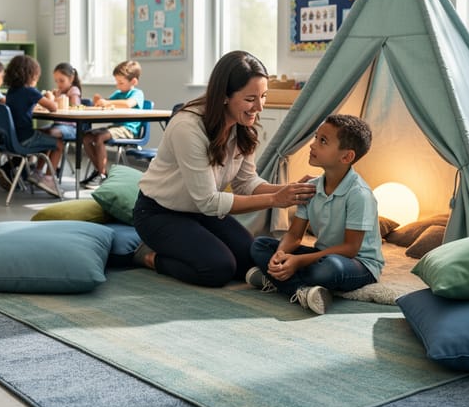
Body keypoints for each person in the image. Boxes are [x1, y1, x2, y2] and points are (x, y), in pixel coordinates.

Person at [131, 51, 315, 288]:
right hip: (159, 213)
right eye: (250, 99)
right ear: (225, 96)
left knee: (250, 260)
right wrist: (275, 199)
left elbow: (246, 182)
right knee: (218, 269)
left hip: (200, 211)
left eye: (263, 96)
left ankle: (187, 244)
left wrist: (289, 191)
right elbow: (209, 201)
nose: (259, 107)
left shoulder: (242, 126)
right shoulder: (188, 128)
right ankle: (148, 256)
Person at [246, 114, 384, 315]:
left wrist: (298, 261)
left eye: (323, 141)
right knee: (260, 245)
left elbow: (350, 249)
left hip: (358, 264)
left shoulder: (359, 195)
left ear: (346, 157)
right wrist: (281, 254)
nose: (312, 145)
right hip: (321, 255)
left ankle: (278, 281)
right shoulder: (310, 188)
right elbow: (294, 235)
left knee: (328, 269)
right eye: (316, 138)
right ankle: (300, 289)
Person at [2, 54, 62, 198]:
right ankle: (47, 179)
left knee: (46, 136)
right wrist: (50, 97)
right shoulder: (30, 91)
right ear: (31, 75)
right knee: (59, 143)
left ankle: (37, 173)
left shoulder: (11, 91)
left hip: (12, 138)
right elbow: (53, 107)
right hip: (25, 138)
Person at [80, 60, 144, 189]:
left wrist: (107, 102)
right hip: (115, 128)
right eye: (116, 82)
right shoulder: (118, 93)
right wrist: (99, 101)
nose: (117, 85)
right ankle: (100, 171)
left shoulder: (137, 93)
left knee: (99, 138)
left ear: (134, 82)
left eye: (121, 82)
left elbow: (128, 104)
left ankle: (102, 175)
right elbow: (107, 102)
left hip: (128, 129)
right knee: (86, 137)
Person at [42, 62, 82, 176]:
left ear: (71, 78)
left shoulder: (73, 90)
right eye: (56, 81)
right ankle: (39, 171)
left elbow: (75, 108)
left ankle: (49, 175)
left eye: (62, 80)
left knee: (50, 134)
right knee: (42, 133)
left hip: (71, 127)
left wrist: (55, 101)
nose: (59, 84)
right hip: (58, 126)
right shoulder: (59, 91)